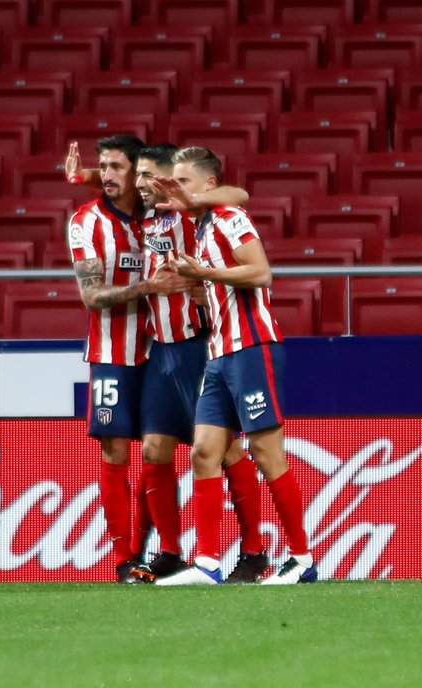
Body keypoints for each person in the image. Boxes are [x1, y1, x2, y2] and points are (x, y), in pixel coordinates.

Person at [156, 146, 316, 586]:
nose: (177, 189)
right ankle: (207, 563)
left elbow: (260, 272)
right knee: (204, 452)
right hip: (220, 353)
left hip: (251, 347)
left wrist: (207, 275)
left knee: (265, 452)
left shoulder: (228, 217)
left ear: (209, 184)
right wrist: (199, 287)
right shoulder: (204, 227)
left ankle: (302, 558)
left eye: (184, 181)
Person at [127, 146, 269, 583]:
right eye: (138, 175)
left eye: (149, 175)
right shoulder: (149, 217)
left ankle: (253, 550)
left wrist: (190, 196)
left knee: (223, 449)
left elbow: (238, 194)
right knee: (154, 449)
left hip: (196, 343)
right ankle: (171, 552)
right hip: (160, 347)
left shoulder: (192, 213)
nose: (141, 183)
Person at [67, 135, 196, 583]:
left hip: (162, 348)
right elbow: (91, 296)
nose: (107, 175)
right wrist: (148, 288)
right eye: (101, 167)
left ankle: (168, 552)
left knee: (158, 452)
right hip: (112, 353)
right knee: (117, 450)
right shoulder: (85, 222)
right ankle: (125, 559)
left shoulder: (158, 213)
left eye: (117, 167)